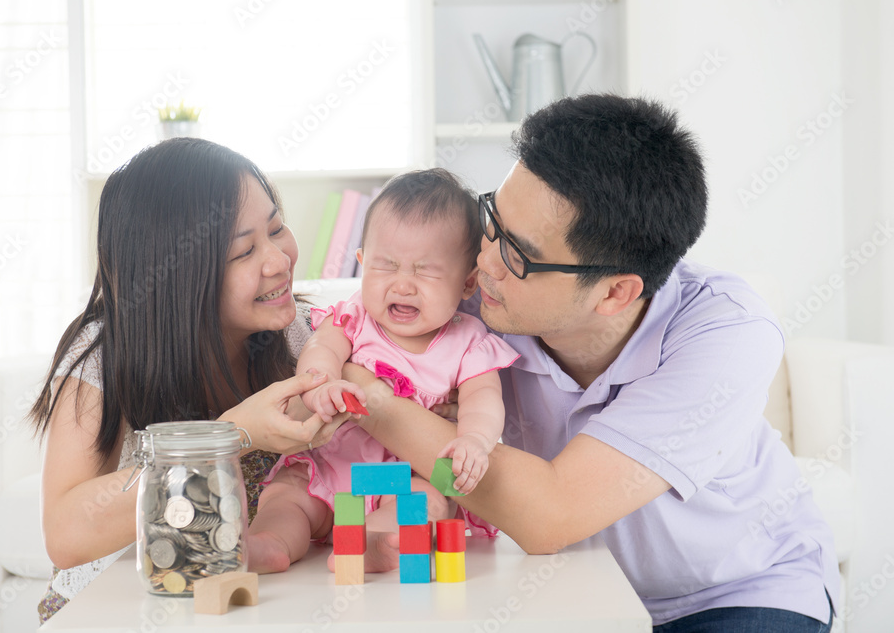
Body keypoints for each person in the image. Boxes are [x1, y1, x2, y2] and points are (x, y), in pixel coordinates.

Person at [344, 95, 838, 631]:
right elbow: (343, 334)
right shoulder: (476, 304)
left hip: (738, 591)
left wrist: (372, 403)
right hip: (583, 586)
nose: (484, 261)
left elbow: (548, 515)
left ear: (614, 293)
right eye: (492, 220)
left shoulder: (727, 332)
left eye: (517, 252)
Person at [27, 138, 345, 622]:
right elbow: (66, 536)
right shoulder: (105, 354)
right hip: (114, 609)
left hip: (239, 606)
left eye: (277, 228)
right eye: (244, 251)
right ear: (180, 277)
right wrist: (229, 437)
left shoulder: (307, 337)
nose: (279, 260)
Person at [248, 169, 519, 574]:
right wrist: (321, 385)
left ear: (467, 284)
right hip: (330, 466)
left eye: (425, 270)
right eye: (386, 266)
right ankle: (269, 544)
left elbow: (484, 398)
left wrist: (475, 440)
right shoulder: (354, 317)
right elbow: (321, 349)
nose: (403, 285)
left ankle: (371, 544)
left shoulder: (469, 342)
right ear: (361, 263)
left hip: (401, 478)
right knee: (288, 496)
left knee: (427, 502)